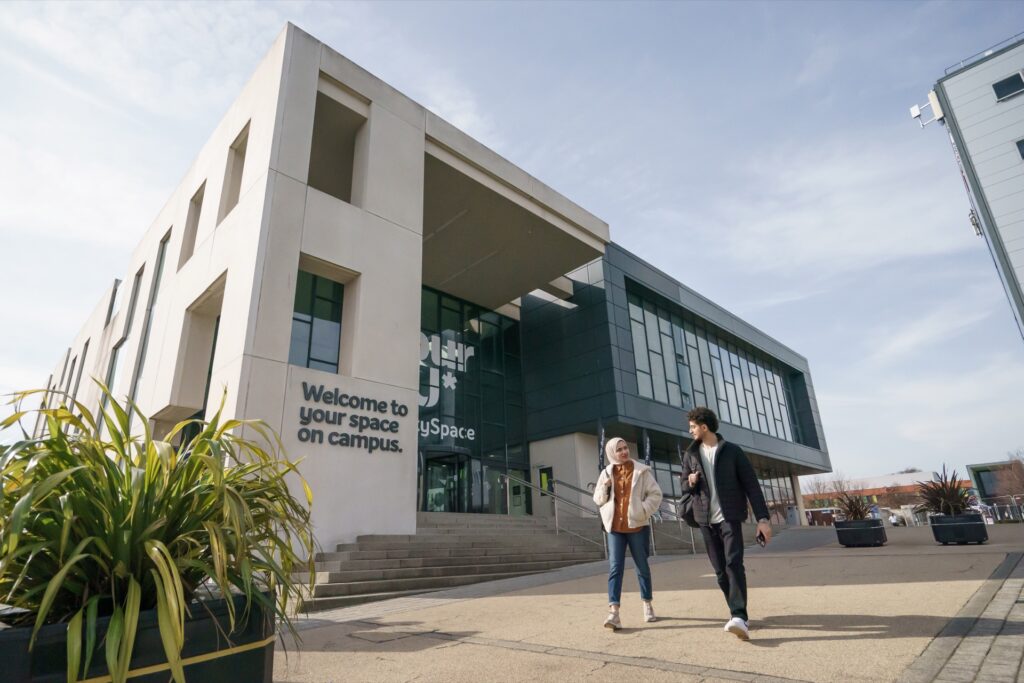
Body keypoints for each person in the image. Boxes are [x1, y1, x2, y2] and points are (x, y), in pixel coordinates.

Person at [681, 407, 771, 641]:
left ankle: (739, 615)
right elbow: (683, 486)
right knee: (720, 570)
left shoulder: (732, 452)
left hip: (730, 517)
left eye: (692, 427)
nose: (690, 431)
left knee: (733, 563)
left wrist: (763, 519)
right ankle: (737, 612)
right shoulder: (691, 454)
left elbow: (752, 486)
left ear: (704, 426)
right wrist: (690, 481)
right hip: (705, 520)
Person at [593, 436, 663, 630]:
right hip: (615, 528)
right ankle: (614, 612)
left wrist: (642, 510)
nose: (624, 452)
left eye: (625, 448)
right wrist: (605, 487)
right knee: (615, 568)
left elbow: (656, 494)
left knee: (642, 566)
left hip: (637, 526)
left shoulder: (642, 471)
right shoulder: (606, 472)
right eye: (619, 449)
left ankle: (647, 603)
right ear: (611, 454)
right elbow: (598, 500)